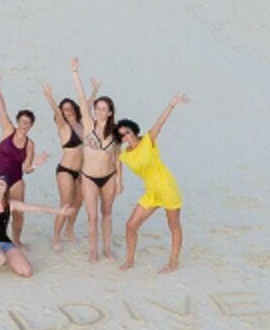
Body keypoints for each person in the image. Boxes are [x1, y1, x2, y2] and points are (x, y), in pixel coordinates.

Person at [116, 93, 189, 273]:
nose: (126, 136)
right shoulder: (124, 154)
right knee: (131, 225)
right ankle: (130, 260)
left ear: (134, 131)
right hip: (151, 192)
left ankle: (173, 263)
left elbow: (160, 122)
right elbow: (117, 163)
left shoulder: (148, 140)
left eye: (127, 132)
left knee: (173, 225)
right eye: (122, 135)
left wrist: (171, 104)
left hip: (166, 187)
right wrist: (119, 180)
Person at [70, 59, 123, 262]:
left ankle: (107, 249)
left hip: (108, 177)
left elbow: (118, 158)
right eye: (98, 108)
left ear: (110, 112)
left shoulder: (115, 132)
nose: (100, 111)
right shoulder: (89, 125)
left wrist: (119, 180)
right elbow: (82, 98)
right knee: (92, 217)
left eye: (104, 109)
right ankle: (93, 251)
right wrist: (75, 72)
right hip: (89, 177)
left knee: (107, 213)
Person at [0, 176, 62, 279]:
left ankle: (4, 259)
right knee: (0, 258)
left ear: (6, 189)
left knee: (27, 272)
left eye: (2, 184)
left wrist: (59, 211)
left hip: (5, 243)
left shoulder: (11, 204)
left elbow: (35, 208)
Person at [0, 73, 43, 243]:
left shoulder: (30, 144)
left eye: (28, 123)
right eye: (23, 121)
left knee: (18, 212)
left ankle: (16, 240)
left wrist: (35, 165)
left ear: (31, 125)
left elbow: (26, 168)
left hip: (16, 179)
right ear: (18, 121)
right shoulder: (8, 131)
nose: (25, 125)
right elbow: (0, 108)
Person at [38, 79, 89, 248]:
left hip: (81, 171)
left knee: (78, 203)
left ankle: (70, 230)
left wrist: (94, 90)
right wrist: (49, 96)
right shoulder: (63, 127)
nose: (67, 111)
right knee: (65, 204)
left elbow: (86, 108)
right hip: (66, 170)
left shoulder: (82, 125)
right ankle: (56, 237)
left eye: (69, 108)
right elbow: (56, 111)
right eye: (64, 109)